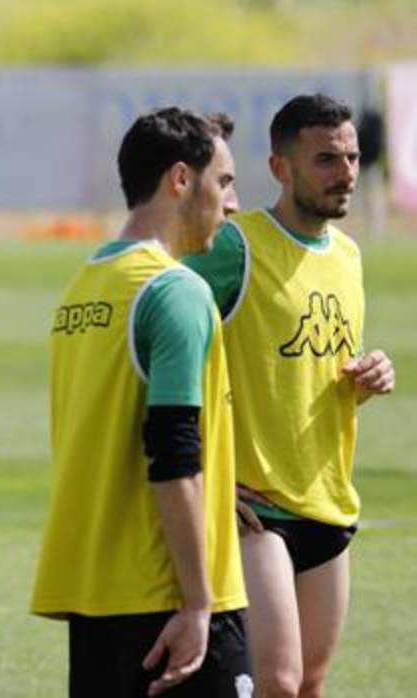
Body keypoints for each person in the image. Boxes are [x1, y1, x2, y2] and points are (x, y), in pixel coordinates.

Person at [31, 107, 251, 697]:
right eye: (224, 182)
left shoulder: (83, 287)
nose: (233, 204)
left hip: (96, 600)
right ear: (180, 179)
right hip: (169, 598)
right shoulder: (177, 291)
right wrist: (199, 603)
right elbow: (172, 453)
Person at [184, 94, 396, 698]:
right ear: (280, 167)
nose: (346, 172)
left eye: (351, 157)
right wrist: (203, 472)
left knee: (309, 683)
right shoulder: (236, 247)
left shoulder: (348, 256)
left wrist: (368, 377)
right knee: (277, 682)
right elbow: (157, 333)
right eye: (326, 159)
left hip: (328, 499)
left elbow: (308, 370)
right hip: (258, 509)